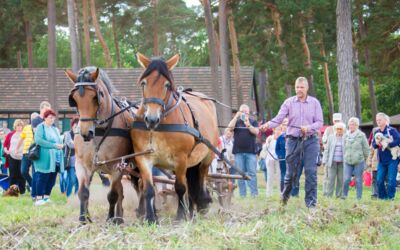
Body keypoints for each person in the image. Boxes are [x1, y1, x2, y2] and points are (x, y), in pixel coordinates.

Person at [260, 77, 323, 208]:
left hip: (310, 141)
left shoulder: (315, 103)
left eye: (301, 87)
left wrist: (308, 128)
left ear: (307, 88)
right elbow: (278, 119)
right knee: (290, 174)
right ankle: (284, 199)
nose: (299, 90)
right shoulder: (288, 102)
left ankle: (311, 204)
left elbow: (319, 122)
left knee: (311, 172)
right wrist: (267, 125)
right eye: (297, 87)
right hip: (292, 141)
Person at [32, 109, 64, 205]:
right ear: (45, 118)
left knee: (52, 178)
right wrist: (53, 145)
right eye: (50, 118)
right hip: (44, 157)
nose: (52, 120)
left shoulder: (55, 129)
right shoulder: (40, 127)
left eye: (53, 118)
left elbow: (59, 140)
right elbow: (39, 140)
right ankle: (38, 199)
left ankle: (46, 197)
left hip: (56, 158)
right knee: (42, 177)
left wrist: (61, 144)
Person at [228, 104, 259, 198]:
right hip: (238, 152)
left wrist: (248, 124)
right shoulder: (236, 122)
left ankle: (254, 194)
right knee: (240, 174)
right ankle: (242, 195)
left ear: (249, 113)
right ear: (239, 112)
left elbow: (256, 132)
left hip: (251, 152)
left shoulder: (253, 121)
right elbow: (230, 128)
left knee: (252, 173)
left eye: (246, 112)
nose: (244, 113)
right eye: (242, 111)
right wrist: (236, 117)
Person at [372, 112, 400, 200]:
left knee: (391, 180)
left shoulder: (392, 130)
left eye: (380, 120)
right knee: (379, 180)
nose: (378, 121)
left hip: (393, 159)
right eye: (377, 120)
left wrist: (387, 143)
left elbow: (398, 140)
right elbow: (373, 145)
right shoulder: (376, 132)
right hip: (381, 160)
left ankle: (390, 197)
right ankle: (383, 197)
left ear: (385, 120)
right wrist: (377, 144)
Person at [342, 117, 370, 200]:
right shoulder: (345, 135)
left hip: (359, 161)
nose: (351, 126)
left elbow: (366, 149)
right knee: (346, 179)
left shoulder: (361, 135)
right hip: (347, 161)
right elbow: (344, 147)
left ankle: (358, 198)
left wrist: (366, 160)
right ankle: (344, 196)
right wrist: (345, 156)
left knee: (358, 180)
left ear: (357, 125)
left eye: (353, 124)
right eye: (350, 124)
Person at [16, 112, 39, 195]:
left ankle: (35, 190)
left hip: (36, 154)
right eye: (32, 118)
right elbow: (21, 139)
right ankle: (32, 184)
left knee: (35, 172)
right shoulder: (26, 128)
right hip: (26, 152)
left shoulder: (40, 127)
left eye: (35, 118)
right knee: (23, 171)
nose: (33, 120)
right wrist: (17, 149)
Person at [322, 122, 346, 198]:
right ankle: (328, 196)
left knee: (341, 180)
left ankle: (339, 196)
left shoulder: (346, 138)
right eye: (338, 129)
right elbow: (327, 150)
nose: (339, 130)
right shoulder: (331, 137)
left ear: (343, 130)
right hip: (332, 162)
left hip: (342, 163)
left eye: (341, 129)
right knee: (330, 179)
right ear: (335, 129)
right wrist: (324, 160)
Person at [263, 126, 283, 197]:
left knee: (279, 176)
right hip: (270, 159)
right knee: (270, 176)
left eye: (280, 129)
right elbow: (264, 148)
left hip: (279, 159)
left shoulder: (282, 138)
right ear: (274, 130)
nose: (278, 131)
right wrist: (268, 142)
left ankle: (281, 193)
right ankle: (268, 194)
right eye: (277, 129)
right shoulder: (270, 138)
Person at [8, 119, 26, 194]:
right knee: (13, 174)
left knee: (21, 174)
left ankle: (22, 191)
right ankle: (12, 191)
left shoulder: (24, 134)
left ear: (22, 126)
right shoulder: (12, 134)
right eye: (17, 125)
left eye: (20, 125)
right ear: (15, 126)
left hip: (21, 157)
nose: (19, 127)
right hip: (12, 156)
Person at [62, 117, 79, 197]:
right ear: (72, 126)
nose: (76, 128)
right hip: (70, 161)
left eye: (78, 126)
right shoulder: (67, 134)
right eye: (75, 126)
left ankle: (76, 196)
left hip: (79, 161)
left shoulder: (81, 134)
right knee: (72, 179)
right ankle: (68, 195)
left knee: (79, 180)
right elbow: (70, 145)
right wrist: (78, 143)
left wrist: (75, 143)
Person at [276, 118, 288, 192]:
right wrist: (280, 156)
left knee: (293, 176)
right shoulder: (280, 138)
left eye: (286, 124)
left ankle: (293, 193)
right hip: (283, 160)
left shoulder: (294, 137)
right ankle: (283, 192)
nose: (285, 126)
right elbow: (277, 149)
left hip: (292, 160)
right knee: (283, 175)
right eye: (283, 124)